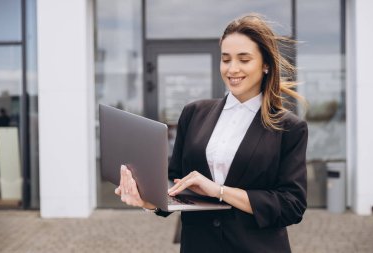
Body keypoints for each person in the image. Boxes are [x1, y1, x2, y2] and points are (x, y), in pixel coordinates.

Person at [115, 13, 308, 253]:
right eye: (225, 59)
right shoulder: (194, 113)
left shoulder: (289, 127)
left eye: (244, 59)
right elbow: (176, 183)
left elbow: (291, 206)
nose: (232, 68)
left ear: (266, 64)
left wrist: (219, 191)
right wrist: (149, 200)